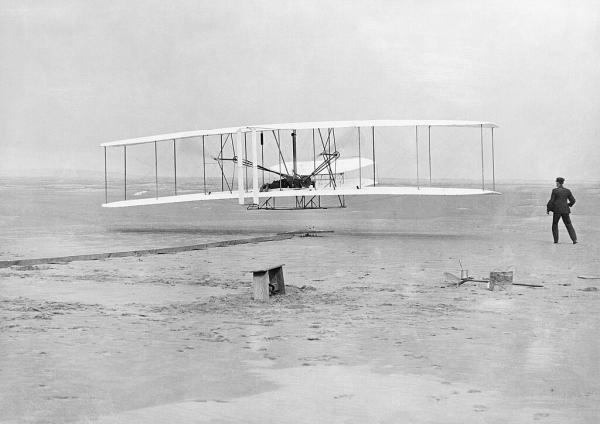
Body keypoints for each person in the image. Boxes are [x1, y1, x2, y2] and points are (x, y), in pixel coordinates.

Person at [546, 177, 577, 244]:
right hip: (565, 210)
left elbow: (551, 201)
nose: (556, 184)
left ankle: (556, 241)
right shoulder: (567, 191)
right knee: (569, 224)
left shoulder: (555, 190)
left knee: (555, 224)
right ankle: (574, 240)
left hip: (557, 210)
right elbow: (573, 200)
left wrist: (548, 208)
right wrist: (568, 205)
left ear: (558, 183)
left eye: (556, 182)